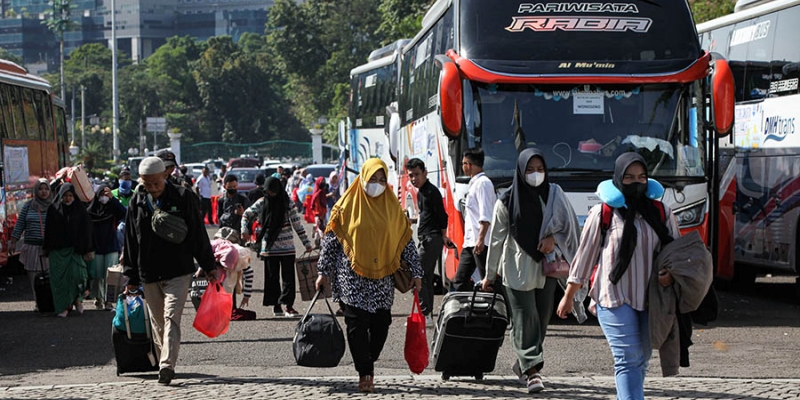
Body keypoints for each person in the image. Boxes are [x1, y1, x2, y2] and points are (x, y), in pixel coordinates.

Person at [557, 153, 680, 400]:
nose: (636, 182)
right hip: (613, 296)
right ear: (617, 179)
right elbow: (584, 258)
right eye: (629, 177)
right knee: (628, 357)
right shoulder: (602, 213)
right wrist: (569, 296)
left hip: (651, 298)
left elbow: (676, 253)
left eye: (641, 177)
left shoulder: (662, 213)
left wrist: (671, 275)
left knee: (642, 358)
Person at [315, 158, 423, 393]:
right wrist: (323, 272)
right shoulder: (345, 207)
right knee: (356, 324)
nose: (377, 184)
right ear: (362, 178)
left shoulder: (393, 208)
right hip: (351, 276)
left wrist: (417, 272)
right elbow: (331, 243)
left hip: (382, 277)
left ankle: (367, 360)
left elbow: (406, 242)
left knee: (381, 325)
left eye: (382, 179)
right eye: (372, 179)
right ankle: (365, 372)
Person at [481, 148, 580, 393]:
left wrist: (554, 239)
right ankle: (533, 372)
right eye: (530, 170)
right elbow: (496, 240)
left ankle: (524, 362)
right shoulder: (506, 201)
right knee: (525, 318)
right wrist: (489, 275)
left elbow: (570, 226)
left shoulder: (554, 194)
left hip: (545, 266)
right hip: (516, 267)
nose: (536, 174)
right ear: (520, 171)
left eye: (540, 169)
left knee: (542, 320)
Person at [122, 157, 218, 385]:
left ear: (165, 175)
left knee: (171, 317)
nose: (153, 188)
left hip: (178, 270)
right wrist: (131, 276)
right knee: (158, 323)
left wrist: (208, 266)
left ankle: (166, 365)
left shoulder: (183, 197)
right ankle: (165, 359)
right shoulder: (136, 200)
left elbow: (197, 233)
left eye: (156, 183)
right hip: (148, 272)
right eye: (147, 184)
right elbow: (130, 241)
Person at [241, 176, 313, 317]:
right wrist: (244, 230)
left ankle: (289, 306)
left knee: (288, 278)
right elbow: (246, 215)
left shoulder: (287, 204)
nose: (270, 195)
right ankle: (276, 306)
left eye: (272, 192)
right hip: (269, 248)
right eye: (268, 192)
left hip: (287, 247)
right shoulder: (262, 203)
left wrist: (307, 243)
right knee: (272, 278)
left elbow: (297, 224)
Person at [405, 158, 451, 327]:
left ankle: (425, 314)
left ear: (425, 173)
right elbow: (426, 216)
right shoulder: (422, 192)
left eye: (417, 174)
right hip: (427, 238)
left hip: (431, 240)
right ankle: (427, 315)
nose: (413, 179)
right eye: (410, 176)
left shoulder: (431, 192)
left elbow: (442, 216)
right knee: (426, 277)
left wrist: (444, 236)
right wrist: (412, 219)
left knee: (418, 274)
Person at [43, 183, 95, 318]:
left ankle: (78, 299)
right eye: (65, 196)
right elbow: (48, 231)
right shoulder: (53, 209)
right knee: (60, 282)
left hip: (75, 251)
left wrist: (87, 247)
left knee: (78, 277)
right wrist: (46, 249)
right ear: (60, 196)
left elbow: (87, 230)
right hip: (57, 252)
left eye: (70, 196)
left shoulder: (80, 210)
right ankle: (64, 307)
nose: (67, 199)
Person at [453, 148, 496, 291]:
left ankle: (497, 310)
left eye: (463, 163)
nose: (463, 167)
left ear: (469, 164)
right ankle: (466, 310)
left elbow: (486, 215)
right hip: (471, 242)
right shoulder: (474, 184)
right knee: (460, 280)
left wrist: (481, 239)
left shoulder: (483, 183)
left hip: (482, 243)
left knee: (488, 282)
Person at [9, 179, 53, 311]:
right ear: (35, 191)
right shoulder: (28, 206)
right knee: (34, 278)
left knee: (51, 277)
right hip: (32, 247)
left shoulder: (54, 206)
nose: (43, 192)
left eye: (46, 189)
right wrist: (13, 241)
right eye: (40, 189)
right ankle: (38, 303)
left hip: (50, 249)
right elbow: (20, 224)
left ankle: (50, 302)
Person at [86, 184, 127, 310]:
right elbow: (86, 217)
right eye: (102, 195)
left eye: (106, 195)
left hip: (111, 246)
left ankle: (108, 302)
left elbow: (124, 213)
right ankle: (98, 298)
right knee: (97, 276)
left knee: (109, 277)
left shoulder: (112, 208)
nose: (104, 197)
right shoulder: (92, 210)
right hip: (97, 247)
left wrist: (112, 199)